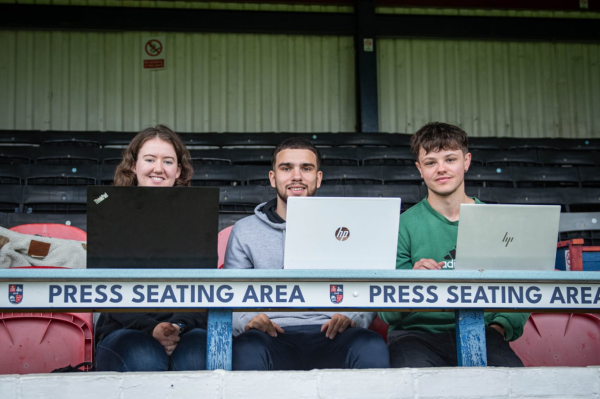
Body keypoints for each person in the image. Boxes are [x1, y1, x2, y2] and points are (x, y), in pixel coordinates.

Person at [224, 137, 389, 371]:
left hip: (333, 332)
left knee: (370, 345)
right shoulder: (245, 230)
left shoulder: (347, 226)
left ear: (318, 178)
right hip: (270, 334)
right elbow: (229, 294)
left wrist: (352, 316)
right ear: (273, 178)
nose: (296, 176)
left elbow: (366, 287)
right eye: (286, 168)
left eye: (306, 168)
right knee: (245, 347)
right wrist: (247, 320)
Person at [379, 122, 527, 368]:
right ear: (419, 169)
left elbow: (522, 287)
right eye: (430, 162)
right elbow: (387, 312)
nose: (441, 169)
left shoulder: (500, 222)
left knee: (513, 384)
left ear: (466, 161)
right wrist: (412, 282)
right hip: (415, 336)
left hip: (484, 331)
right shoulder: (400, 226)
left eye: (450, 159)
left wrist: (500, 327)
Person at [95, 125, 207, 372]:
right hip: (123, 330)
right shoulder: (107, 209)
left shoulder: (196, 217)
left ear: (178, 171)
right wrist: (150, 328)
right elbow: (106, 290)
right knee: (144, 358)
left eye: (168, 161)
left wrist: (178, 326)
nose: (158, 168)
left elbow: (203, 289)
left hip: (184, 328)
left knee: (198, 356)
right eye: (149, 159)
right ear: (134, 166)